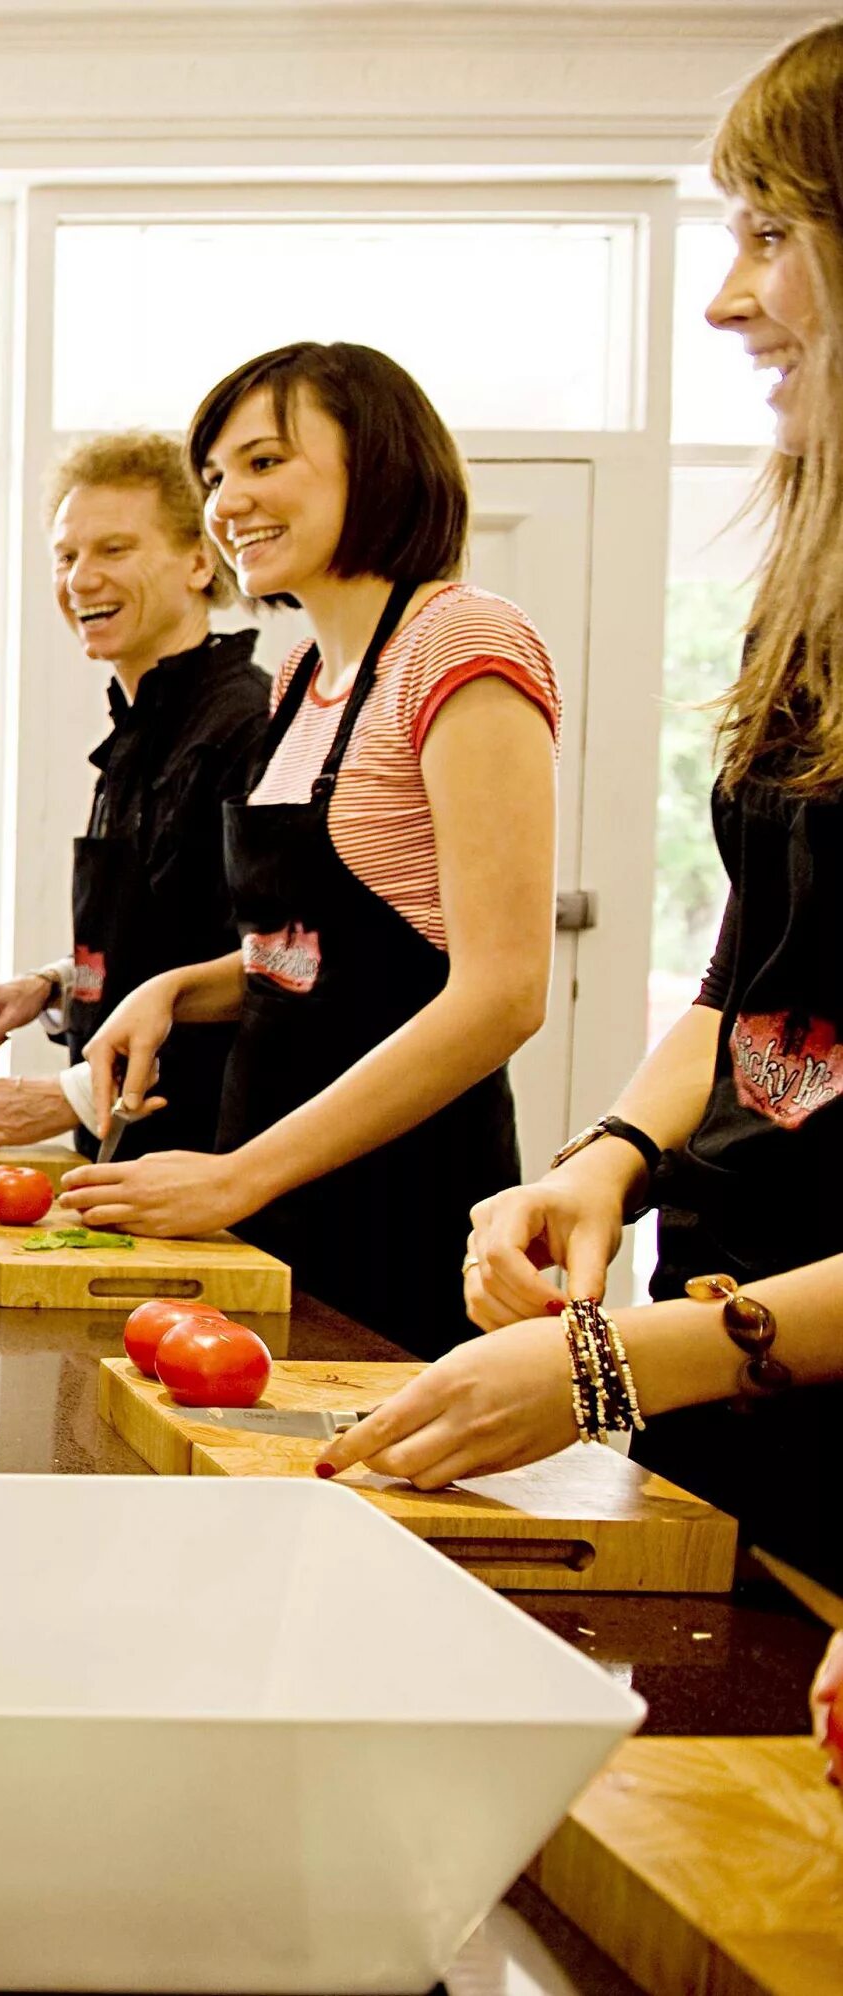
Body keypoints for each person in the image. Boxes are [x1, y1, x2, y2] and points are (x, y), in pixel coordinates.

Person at [322, 20, 843, 1631]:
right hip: (750, 1387)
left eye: (771, 233)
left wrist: (628, 1358)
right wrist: (609, 1160)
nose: (725, 295)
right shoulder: (803, 599)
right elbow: (747, 983)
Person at [60, 344, 561, 1357]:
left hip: (398, 1203)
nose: (228, 501)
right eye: (214, 478)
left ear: (374, 460)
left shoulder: (463, 644)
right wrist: (174, 990)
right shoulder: (299, 679)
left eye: (263, 463)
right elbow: (302, 956)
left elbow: (503, 993)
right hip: (273, 1193)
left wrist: (241, 1173)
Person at [0, 433, 267, 1160]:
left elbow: (273, 967)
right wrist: (54, 986)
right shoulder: (136, 733)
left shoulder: (246, 725)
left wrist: (71, 1097)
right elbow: (167, 931)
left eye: (114, 550)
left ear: (200, 558)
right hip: (128, 1157)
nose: (81, 579)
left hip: (212, 1160)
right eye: (66, 555)